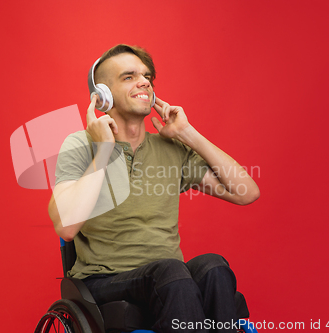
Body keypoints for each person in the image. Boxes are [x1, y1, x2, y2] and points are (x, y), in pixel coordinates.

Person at [48, 44, 260, 333]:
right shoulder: (80, 145)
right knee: (171, 271)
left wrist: (188, 134)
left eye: (147, 76)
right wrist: (103, 150)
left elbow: (246, 192)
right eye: (129, 76)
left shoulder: (171, 149)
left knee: (214, 267)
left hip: (171, 282)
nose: (144, 82)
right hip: (106, 280)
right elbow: (66, 227)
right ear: (102, 96)